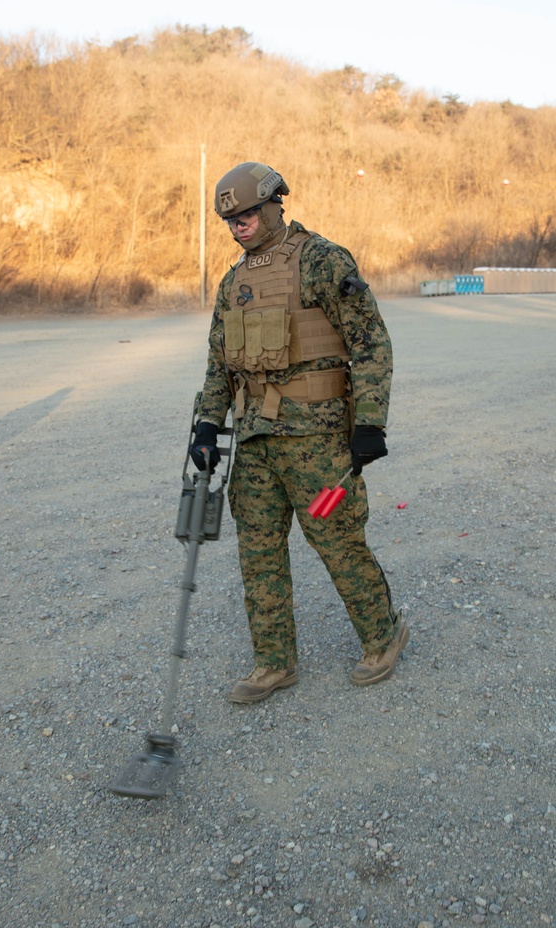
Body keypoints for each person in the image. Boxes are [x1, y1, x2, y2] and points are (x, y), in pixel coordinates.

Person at [190, 160, 408, 704]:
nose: (239, 226)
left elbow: (370, 342)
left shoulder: (321, 260)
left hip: (318, 444)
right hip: (255, 445)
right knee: (258, 553)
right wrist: (205, 425)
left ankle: (383, 635)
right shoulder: (233, 280)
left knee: (336, 541)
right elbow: (220, 366)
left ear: (274, 205)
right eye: (231, 221)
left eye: (247, 215)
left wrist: (371, 424)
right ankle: (273, 663)